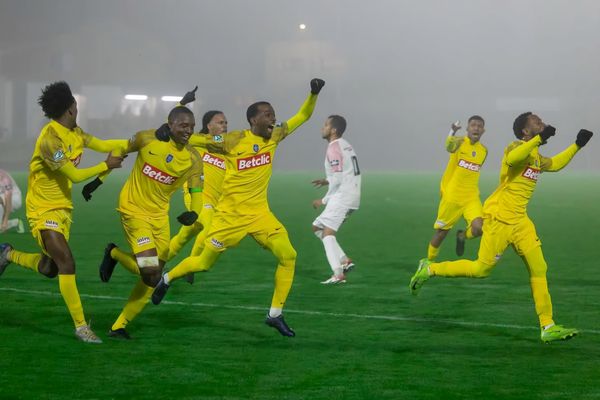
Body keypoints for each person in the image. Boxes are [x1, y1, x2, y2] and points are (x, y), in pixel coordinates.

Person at [151, 78, 326, 337]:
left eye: (274, 115)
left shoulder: (275, 135)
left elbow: (303, 115)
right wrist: (170, 130)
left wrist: (313, 93)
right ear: (253, 120)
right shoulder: (232, 140)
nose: (273, 119)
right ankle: (166, 278)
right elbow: (196, 139)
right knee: (203, 264)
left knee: (289, 256)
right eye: (267, 115)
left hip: (259, 214)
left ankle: (274, 314)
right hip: (229, 217)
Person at [409, 112, 593, 343]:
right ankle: (430, 269)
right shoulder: (515, 147)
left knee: (539, 268)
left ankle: (548, 325)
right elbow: (514, 159)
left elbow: (554, 164)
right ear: (526, 131)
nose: (541, 122)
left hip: (521, 222)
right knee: (480, 270)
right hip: (498, 219)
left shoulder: (536, 156)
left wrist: (577, 145)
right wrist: (538, 139)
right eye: (536, 121)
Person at [0, 81, 126, 343]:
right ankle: (81, 327)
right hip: (42, 209)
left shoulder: (75, 132)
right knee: (67, 262)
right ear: (71, 107)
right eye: (75, 102)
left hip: (63, 209)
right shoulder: (50, 141)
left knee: (50, 268)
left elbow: (102, 144)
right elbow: (76, 175)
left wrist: (135, 142)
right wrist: (105, 166)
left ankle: (8, 254)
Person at [96, 106, 203, 339]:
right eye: (183, 126)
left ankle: (118, 326)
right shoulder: (147, 138)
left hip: (159, 217)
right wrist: (97, 180)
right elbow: (120, 150)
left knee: (152, 276)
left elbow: (196, 188)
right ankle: (113, 253)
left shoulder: (193, 158)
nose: (188, 131)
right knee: (152, 273)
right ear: (170, 124)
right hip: (133, 209)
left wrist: (194, 212)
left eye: (192, 127)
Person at [168, 109, 228, 285]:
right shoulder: (198, 142)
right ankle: (190, 266)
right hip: (196, 195)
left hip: (215, 200)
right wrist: (181, 104)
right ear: (208, 126)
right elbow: (171, 128)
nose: (224, 125)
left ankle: (153, 263)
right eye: (220, 122)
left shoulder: (227, 147)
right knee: (209, 227)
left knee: (182, 238)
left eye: (225, 123)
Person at [427, 116, 487, 261]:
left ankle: (462, 236)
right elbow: (449, 146)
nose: (476, 128)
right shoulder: (459, 143)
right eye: (473, 125)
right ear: (467, 128)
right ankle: (427, 262)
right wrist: (452, 132)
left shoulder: (483, 151)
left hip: (471, 198)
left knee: (479, 229)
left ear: (483, 130)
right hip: (452, 196)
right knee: (441, 233)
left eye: (479, 126)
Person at [311, 115, 361, 284]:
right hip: (352, 195)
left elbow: (339, 179)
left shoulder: (333, 148)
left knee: (327, 234)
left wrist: (323, 200)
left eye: (325, 125)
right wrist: (326, 180)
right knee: (317, 227)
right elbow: (344, 172)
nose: (322, 128)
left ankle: (338, 274)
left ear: (333, 130)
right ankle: (345, 260)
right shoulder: (346, 145)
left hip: (343, 196)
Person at [0, 169, 25, 234]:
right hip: (2, 199)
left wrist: (5, 220)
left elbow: (8, 197)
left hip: (14, 198)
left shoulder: (4, 177)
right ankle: (16, 222)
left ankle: (4, 223)